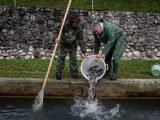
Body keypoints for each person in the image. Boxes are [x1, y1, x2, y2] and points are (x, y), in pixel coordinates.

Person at [55, 13, 88, 80]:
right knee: (61, 59)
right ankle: (58, 73)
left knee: (73, 60)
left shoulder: (79, 28)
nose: (78, 25)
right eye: (76, 23)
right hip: (64, 44)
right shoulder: (64, 25)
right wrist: (57, 38)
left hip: (73, 45)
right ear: (72, 22)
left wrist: (84, 51)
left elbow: (81, 40)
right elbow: (58, 32)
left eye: (78, 23)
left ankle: (74, 74)